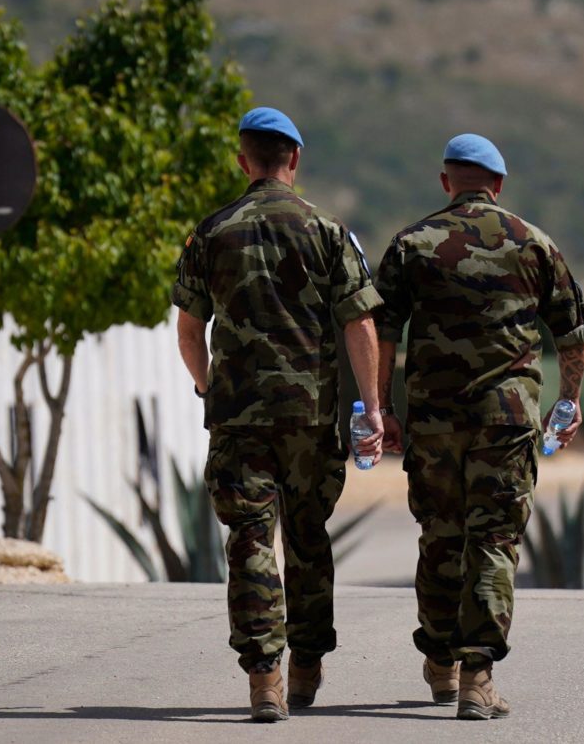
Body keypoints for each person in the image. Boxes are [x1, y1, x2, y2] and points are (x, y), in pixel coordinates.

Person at [359, 132, 584, 721]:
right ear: (499, 185)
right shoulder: (533, 243)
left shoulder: (412, 244)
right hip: (505, 424)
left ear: (446, 182)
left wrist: (382, 408)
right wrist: (569, 402)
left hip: (433, 422)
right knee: (492, 540)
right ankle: (477, 677)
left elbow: (382, 330)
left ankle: (440, 658)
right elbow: (572, 335)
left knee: (440, 535)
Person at [172, 106, 385, 723]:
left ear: (244, 161)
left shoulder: (210, 233)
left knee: (249, 542)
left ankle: (263, 677)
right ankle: (307, 668)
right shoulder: (328, 232)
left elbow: (189, 333)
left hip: (238, 420)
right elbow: (360, 323)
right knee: (308, 540)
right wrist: (371, 408)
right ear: (294, 158)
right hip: (310, 419)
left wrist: (211, 389)